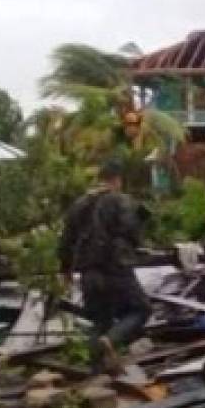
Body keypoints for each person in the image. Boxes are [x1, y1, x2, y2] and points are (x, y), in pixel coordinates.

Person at [59, 159, 151, 372]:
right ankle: (112, 339)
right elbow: (132, 231)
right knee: (141, 310)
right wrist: (139, 242)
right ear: (117, 180)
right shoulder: (121, 200)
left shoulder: (79, 204)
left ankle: (95, 375)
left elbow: (66, 240)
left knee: (100, 320)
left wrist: (66, 269)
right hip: (116, 267)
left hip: (88, 271)